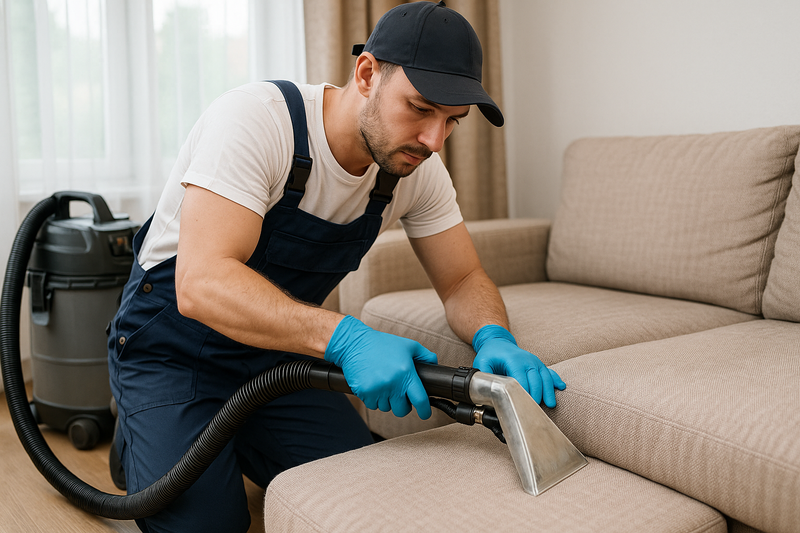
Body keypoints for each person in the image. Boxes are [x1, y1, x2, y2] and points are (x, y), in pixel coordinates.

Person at [107, 1, 565, 531]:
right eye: (420, 108)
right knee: (209, 525)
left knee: (361, 497)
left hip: (277, 362)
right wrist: (347, 339)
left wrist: (493, 336)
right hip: (172, 354)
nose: (434, 140)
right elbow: (201, 283)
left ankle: (218, 437)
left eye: (452, 122)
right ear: (367, 74)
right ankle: (142, 436)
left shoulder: (415, 170)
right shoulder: (258, 120)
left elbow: (462, 279)